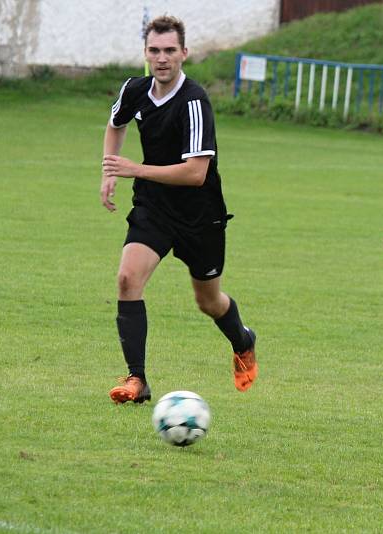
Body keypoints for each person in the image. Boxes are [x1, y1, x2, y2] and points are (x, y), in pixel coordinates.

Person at [100, 15, 257, 403]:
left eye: (170, 50)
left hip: (200, 215)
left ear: (184, 53)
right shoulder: (134, 90)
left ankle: (242, 339)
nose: (162, 58)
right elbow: (115, 124)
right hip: (153, 206)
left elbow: (196, 173)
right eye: (154, 50)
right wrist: (109, 169)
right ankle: (137, 380)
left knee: (208, 301)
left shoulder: (194, 102)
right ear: (146, 53)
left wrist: (134, 169)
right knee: (126, 279)